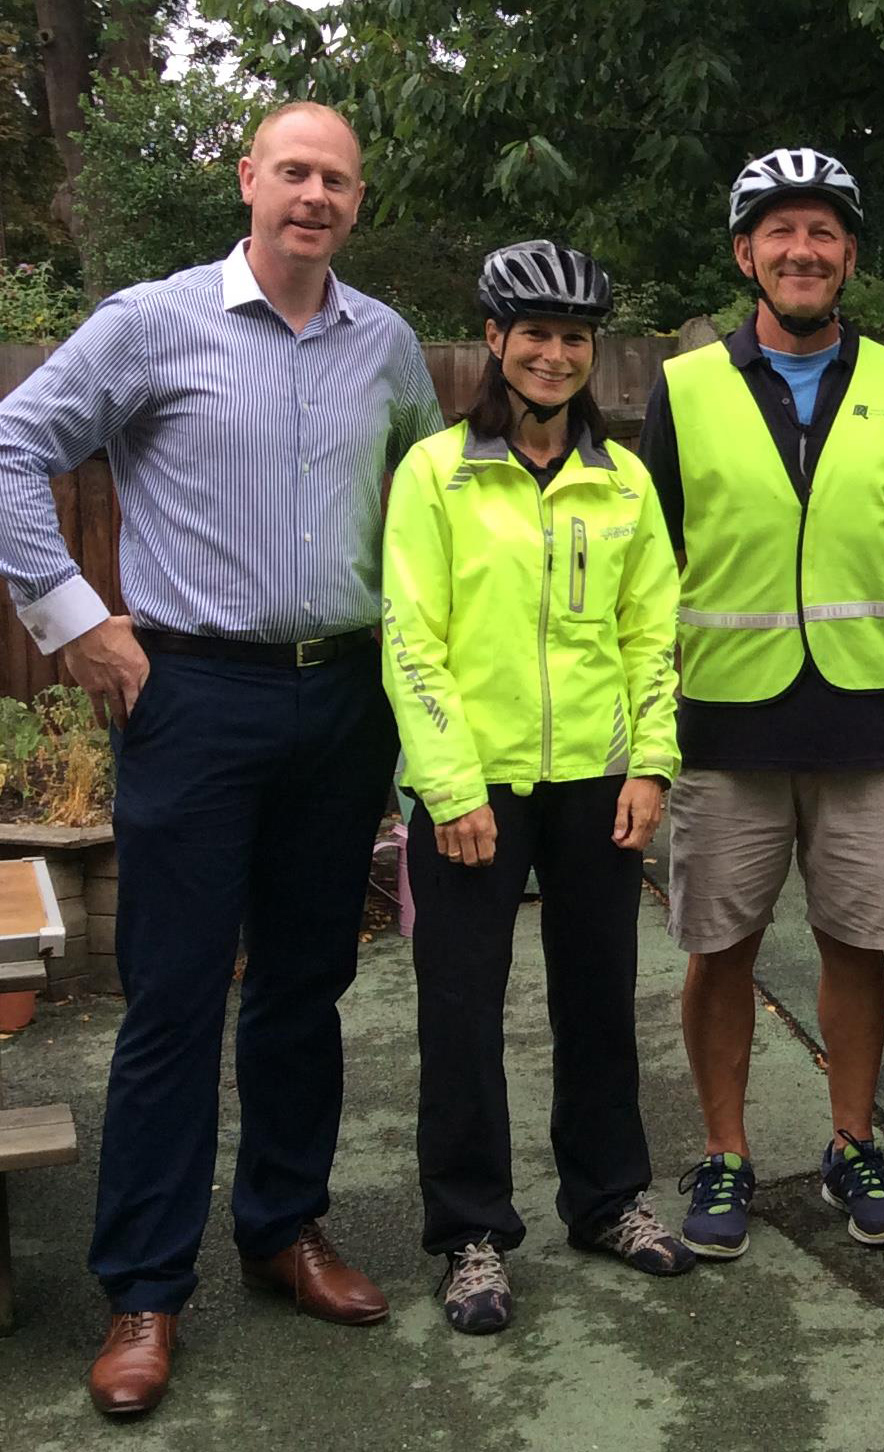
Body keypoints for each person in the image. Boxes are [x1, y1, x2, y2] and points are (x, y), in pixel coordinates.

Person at [0, 102, 444, 1414]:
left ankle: (282, 1230)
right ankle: (143, 1290)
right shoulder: (153, 324)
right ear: (249, 180)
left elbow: (429, 501)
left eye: (338, 180)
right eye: (293, 171)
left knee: (305, 986)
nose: (314, 195)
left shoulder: (390, 348)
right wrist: (73, 618)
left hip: (344, 699)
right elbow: (14, 446)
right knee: (175, 1000)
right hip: (193, 697)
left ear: (358, 203)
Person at [380, 240, 691, 1334]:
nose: (555, 354)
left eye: (574, 336)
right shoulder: (436, 473)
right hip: (475, 788)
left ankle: (607, 1199)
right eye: (535, 333)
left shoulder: (625, 478)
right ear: (496, 342)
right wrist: (451, 786)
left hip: (597, 781)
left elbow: (652, 631)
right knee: (461, 1008)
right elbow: (410, 640)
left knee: (600, 995)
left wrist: (651, 763)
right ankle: (469, 1232)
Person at [640, 147, 884, 1259]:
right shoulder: (683, 388)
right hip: (727, 719)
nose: (802, 250)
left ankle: (850, 1142)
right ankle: (725, 1153)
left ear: (849, 255)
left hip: (864, 714)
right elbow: (656, 553)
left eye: (822, 232)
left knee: (857, 944)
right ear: (743, 255)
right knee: (721, 948)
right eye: (779, 232)